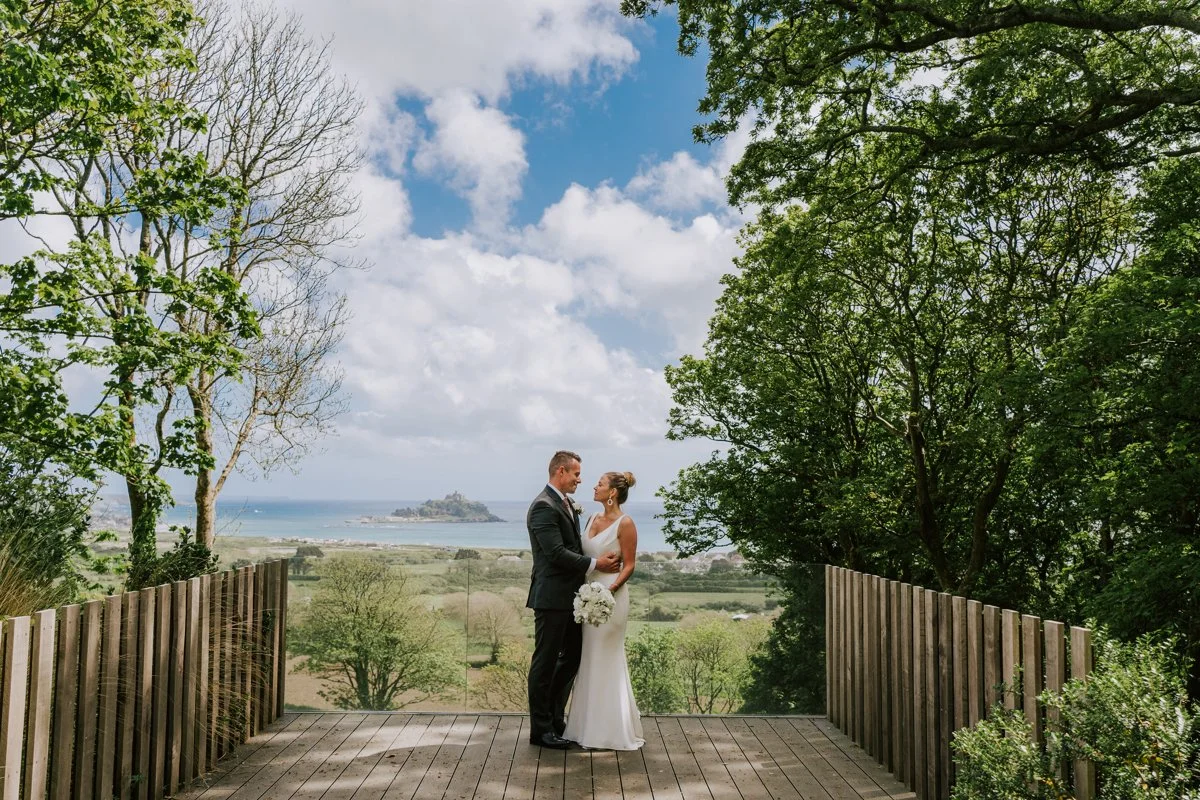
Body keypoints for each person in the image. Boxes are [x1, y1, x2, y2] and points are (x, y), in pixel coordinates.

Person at [526, 450, 620, 750]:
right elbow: (554, 553)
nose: (580, 480)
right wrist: (596, 566)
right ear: (561, 472)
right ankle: (540, 730)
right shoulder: (543, 506)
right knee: (545, 663)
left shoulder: (564, 504)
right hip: (551, 598)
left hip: (573, 599)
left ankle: (555, 720)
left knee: (571, 659)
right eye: (576, 474)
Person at [562, 471, 645, 751]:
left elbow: (630, 564)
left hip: (611, 598)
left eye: (600, 483)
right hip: (588, 595)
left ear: (612, 493)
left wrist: (609, 591)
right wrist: (592, 580)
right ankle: (585, 728)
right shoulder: (591, 519)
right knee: (589, 659)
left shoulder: (626, 523)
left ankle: (610, 731)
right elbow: (586, 556)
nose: (594, 486)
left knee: (606, 658)